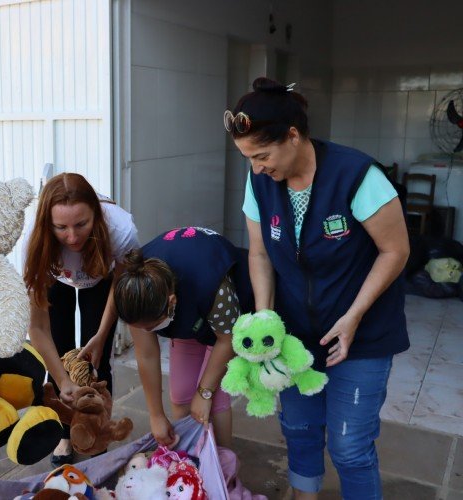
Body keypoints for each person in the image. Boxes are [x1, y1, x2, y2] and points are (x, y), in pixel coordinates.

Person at [229, 77, 409, 500]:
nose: (257, 168)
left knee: (349, 448)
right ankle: (303, 495)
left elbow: (395, 251)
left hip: (361, 334)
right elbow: (259, 254)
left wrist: (354, 316)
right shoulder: (259, 181)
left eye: (262, 155)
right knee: (299, 429)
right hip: (296, 336)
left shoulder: (357, 175)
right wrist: (265, 317)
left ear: (293, 135)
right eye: (248, 159)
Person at [23, 172, 139, 464]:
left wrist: (101, 335)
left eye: (81, 224)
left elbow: (118, 287)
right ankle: (64, 433)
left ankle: (96, 433)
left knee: (96, 365)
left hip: (101, 278)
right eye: (61, 227)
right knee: (59, 357)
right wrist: (63, 381)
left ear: (96, 216)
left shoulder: (120, 228)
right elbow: (37, 328)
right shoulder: (33, 242)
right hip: (56, 280)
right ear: (47, 224)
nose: (72, 237)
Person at [113, 227, 253, 449]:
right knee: (181, 396)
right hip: (190, 311)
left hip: (225, 319)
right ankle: (188, 462)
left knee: (214, 399)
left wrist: (204, 392)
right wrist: (156, 415)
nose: (147, 332)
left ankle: (225, 468)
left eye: (152, 327)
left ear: (171, 302)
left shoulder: (210, 283)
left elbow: (227, 339)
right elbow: (146, 354)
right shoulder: (135, 293)